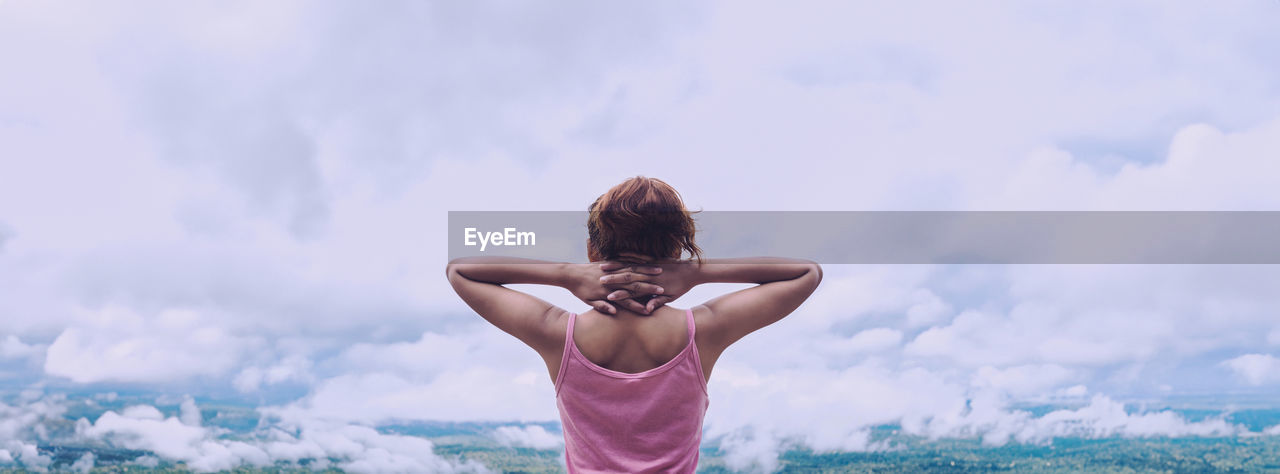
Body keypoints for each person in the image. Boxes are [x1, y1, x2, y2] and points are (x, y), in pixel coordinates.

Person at [446, 176, 822, 473]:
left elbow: (461, 270)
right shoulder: (704, 330)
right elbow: (806, 272)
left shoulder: (557, 332)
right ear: (677, 249)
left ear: (593, 250)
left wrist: (566, 275)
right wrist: (695, 273)